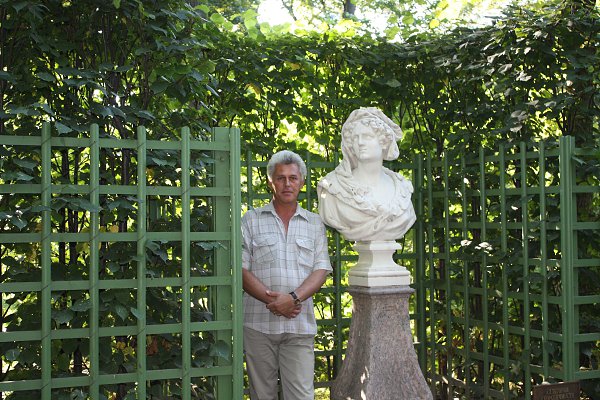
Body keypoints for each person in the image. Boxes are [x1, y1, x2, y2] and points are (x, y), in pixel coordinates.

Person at [241, 150, 332, 400]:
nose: (287, 184)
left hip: (299, 325)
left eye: (293, 178)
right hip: (258, 325)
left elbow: (321, 269)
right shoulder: (250, 220)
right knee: (262, 395)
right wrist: (276, 302)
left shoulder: (314, 223)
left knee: (301, 395)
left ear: (302, 182)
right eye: (280, 178)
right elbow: (241, 270)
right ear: (270, 182)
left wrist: (291, 299)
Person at [317, 107, 416, 242]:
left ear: (383, 142)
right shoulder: (333, 187)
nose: (360, 142)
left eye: (367, 137)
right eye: (355, 138)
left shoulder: (401, 189)